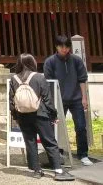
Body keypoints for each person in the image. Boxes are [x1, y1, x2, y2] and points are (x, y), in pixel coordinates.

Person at [11, 53, 75, 181]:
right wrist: (53, 115)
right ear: (32, 63)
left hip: (23, 115)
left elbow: (11, 101)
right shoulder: (39, 77)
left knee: (30, 142)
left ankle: (36, 170)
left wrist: (16, 117)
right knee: (50, 142)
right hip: (40, 114)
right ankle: (58, 170)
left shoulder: (14, 79)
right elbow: (47, 99)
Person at [44, 35, 92, 166]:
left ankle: (83, 154)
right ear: (56, 47)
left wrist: (84, 98)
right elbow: (49, 83)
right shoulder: (50, 62)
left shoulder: (76, 60)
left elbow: (82, 80)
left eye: (66, 46)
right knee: (57, 128)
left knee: (81, 127)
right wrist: (51, 102)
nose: (64, 49)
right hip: (58, 99)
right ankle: (58, 152)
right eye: (61, 46)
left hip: (76, 99)